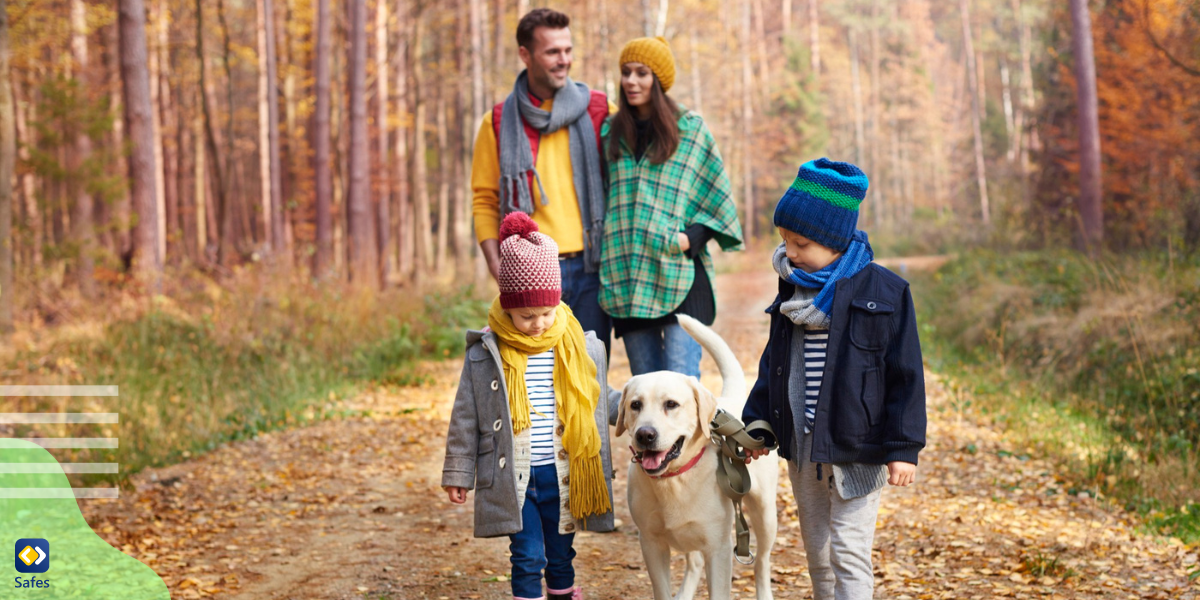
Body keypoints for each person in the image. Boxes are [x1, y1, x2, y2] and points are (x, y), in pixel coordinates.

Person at [742, 159, 927, 600]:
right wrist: (756, 425)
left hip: (856, 447)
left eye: (801, 242)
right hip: (805, 450)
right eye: (785, 241)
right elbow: (775, 366)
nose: (790, 252)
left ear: (835, 241)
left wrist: (904, 449)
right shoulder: (792, 290)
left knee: (848, 551)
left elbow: (906, 376)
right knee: (819, 556)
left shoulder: (885, 292)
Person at [442, 212, 616, 600]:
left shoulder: (575, 345)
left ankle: (562, 594)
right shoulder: (487, 352)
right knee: (525, 557)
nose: (538, 324)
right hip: (515, 478)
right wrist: (458, 471)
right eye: (526, 316)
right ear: (506, 307)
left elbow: (599, 395)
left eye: (546, 313)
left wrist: (640, 416)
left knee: (560, 554)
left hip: (562, 470)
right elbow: (465, 415)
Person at [471, 8, 615, 355]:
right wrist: (496, 263)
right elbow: (485, 200)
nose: (563, 59)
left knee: (589, 374)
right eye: (552, 51)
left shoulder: (598, 109)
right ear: (525, 55)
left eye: (567, 50)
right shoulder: (498, 121)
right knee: (535, 381)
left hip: (591, 266)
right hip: (528, 274)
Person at [597, 36, 743, 378]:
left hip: (681, 273)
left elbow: (717, 196)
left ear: (658, 79)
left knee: (681, 385)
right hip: (629, 274)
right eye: (626, 72)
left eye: (642, 73)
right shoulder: (609, 133)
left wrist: (689, 239)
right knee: (646, 390)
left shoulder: (690, 130)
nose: (631, 81)